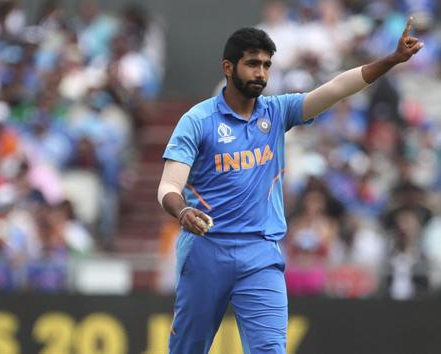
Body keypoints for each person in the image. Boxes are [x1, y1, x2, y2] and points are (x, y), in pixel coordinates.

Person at [157, 19, 422, 354]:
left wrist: (391, 60)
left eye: (267, 65)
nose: (261, 73)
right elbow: (168, 184)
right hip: (207, 249)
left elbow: (337, 89)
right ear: (228, 67)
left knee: (270, 349)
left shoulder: (277, 111)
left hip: (261, 252)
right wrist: (182, 211)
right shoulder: (198, 121)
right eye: (252, 63)